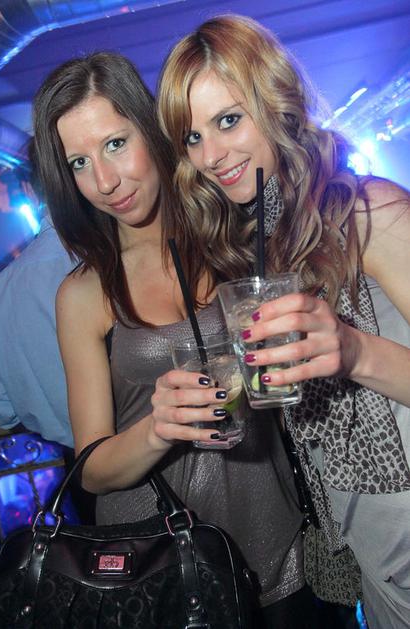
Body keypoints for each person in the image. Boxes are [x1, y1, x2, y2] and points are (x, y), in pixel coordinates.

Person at [32, 51, 311, 627]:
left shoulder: (230, 238)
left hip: (275, 539)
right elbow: (91, 468)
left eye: (115, 144)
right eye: (80, 162)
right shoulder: (85, 292)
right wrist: (157, 429)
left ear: (151, 127)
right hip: (161, 568)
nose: (105, 182)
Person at [157, 14, 410, 629]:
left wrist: (353, 350)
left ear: (275, 102)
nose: (211, 156)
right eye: (192, 136)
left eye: (228, 120)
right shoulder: (259, 244)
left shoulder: (369, 211)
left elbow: (345, 359)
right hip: (361, 538)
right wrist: (219, 401)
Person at [0, 171, 76, 448]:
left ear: (30, 192)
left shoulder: (0, 291)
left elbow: (3, 409)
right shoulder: (114, 258)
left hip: (71, 454)